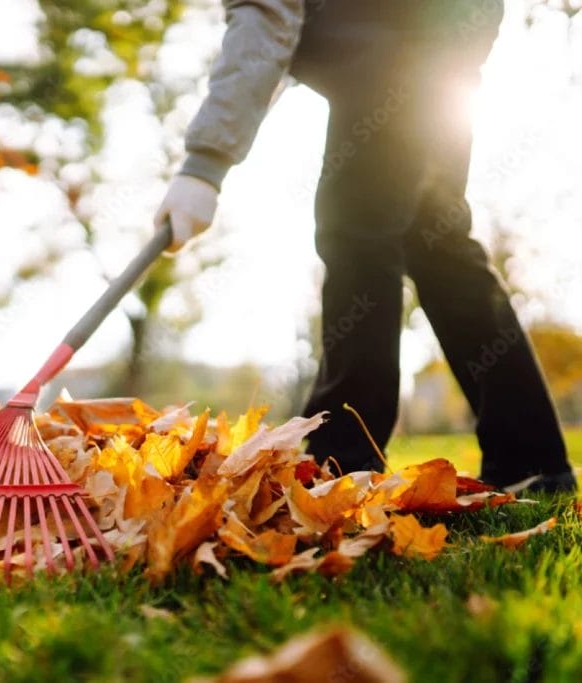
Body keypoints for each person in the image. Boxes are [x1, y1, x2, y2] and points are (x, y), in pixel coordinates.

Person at [154, 0, 577, 493]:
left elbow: (266, 18)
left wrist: (204, 166)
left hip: (396, 48)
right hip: (445, 44)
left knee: (358, 238)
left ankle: (342, 463)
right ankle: (532, 461)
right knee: (437, 243)